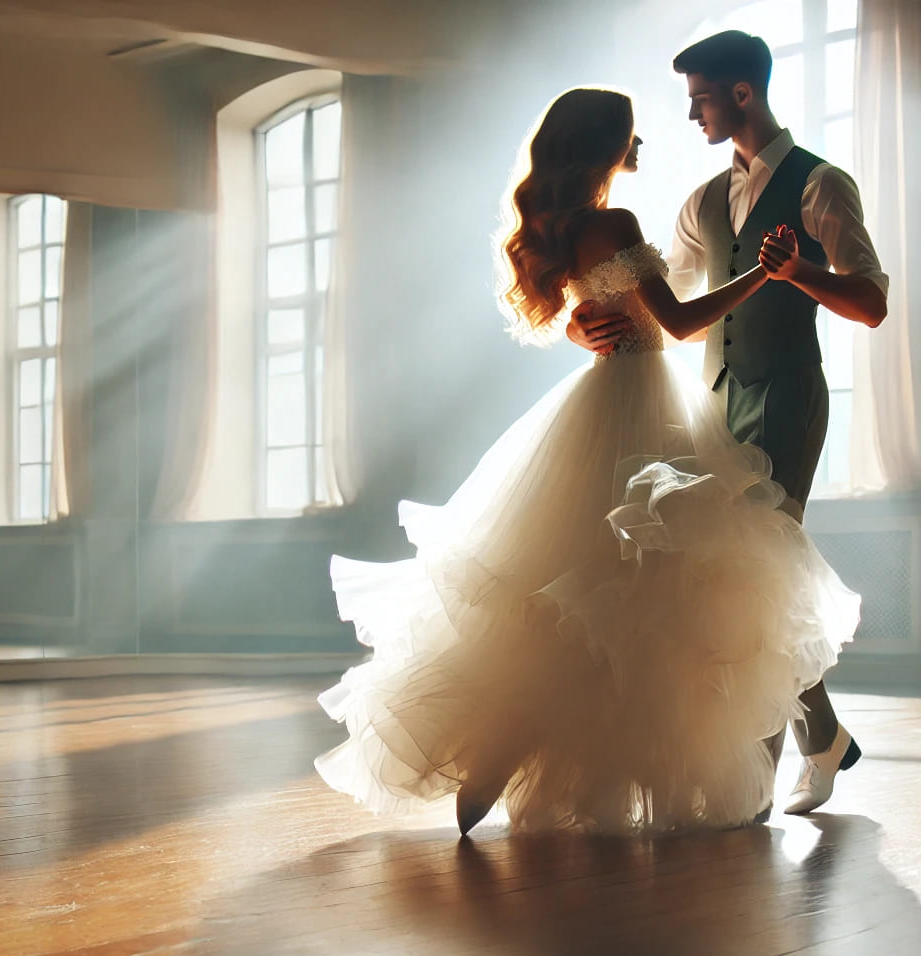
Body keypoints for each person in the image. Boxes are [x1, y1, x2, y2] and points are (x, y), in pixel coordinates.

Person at [313, 87, 860, 836]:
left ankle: (497, 762)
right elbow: (676, 323)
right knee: (652, 594)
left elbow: (586, 315)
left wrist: (580, 331)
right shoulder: (616, 222)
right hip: (646, 405)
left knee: (560, 590)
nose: (641, 148)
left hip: (593, 404)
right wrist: (767, 274)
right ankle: (650, 766)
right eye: (630, 137)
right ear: (603, 145)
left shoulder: (560, 229)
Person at [569, 31, 886, 814]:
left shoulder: (821, 184)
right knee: (729, 572)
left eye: (699, 98)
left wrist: (801, 270)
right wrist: (580, 328)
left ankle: (754, 779)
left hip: (787, 397)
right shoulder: (701, 201)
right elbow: (647, 299)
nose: (690, 115)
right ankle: (826, 739)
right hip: (714, 403)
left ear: (741, 94)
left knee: (759, 563)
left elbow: (872, 303)